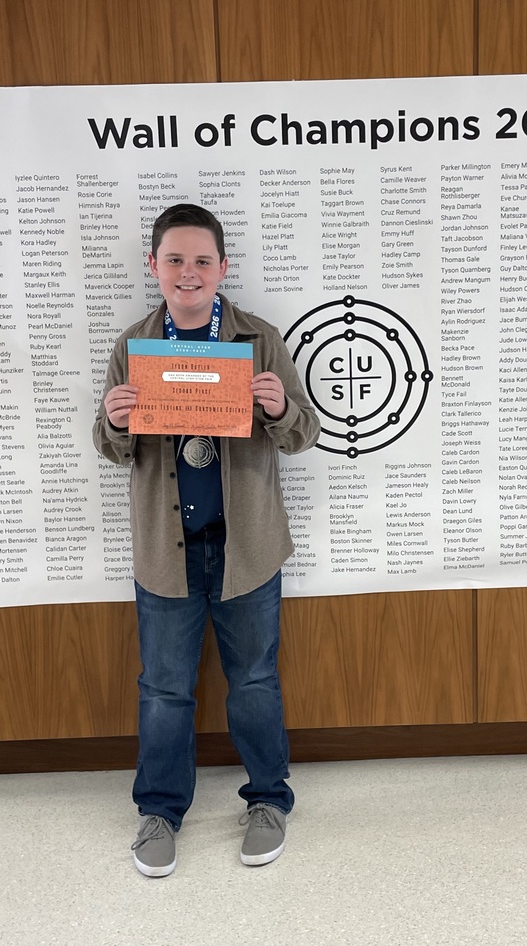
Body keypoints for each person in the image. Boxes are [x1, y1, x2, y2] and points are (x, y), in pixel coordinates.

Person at [93, 203, 320, 877]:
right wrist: (114, 419)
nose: (188, 274)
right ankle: (159, 812)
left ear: (222, 268)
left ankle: (269, 800)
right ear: (153, 268)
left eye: (201, 261)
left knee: (253, 680)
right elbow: (110, 450)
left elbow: (303, 434)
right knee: (164, 688)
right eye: (174, 260)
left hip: (246, 548)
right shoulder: (132, 346)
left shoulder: (260, 340)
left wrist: (280, 408)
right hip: (167, 552)